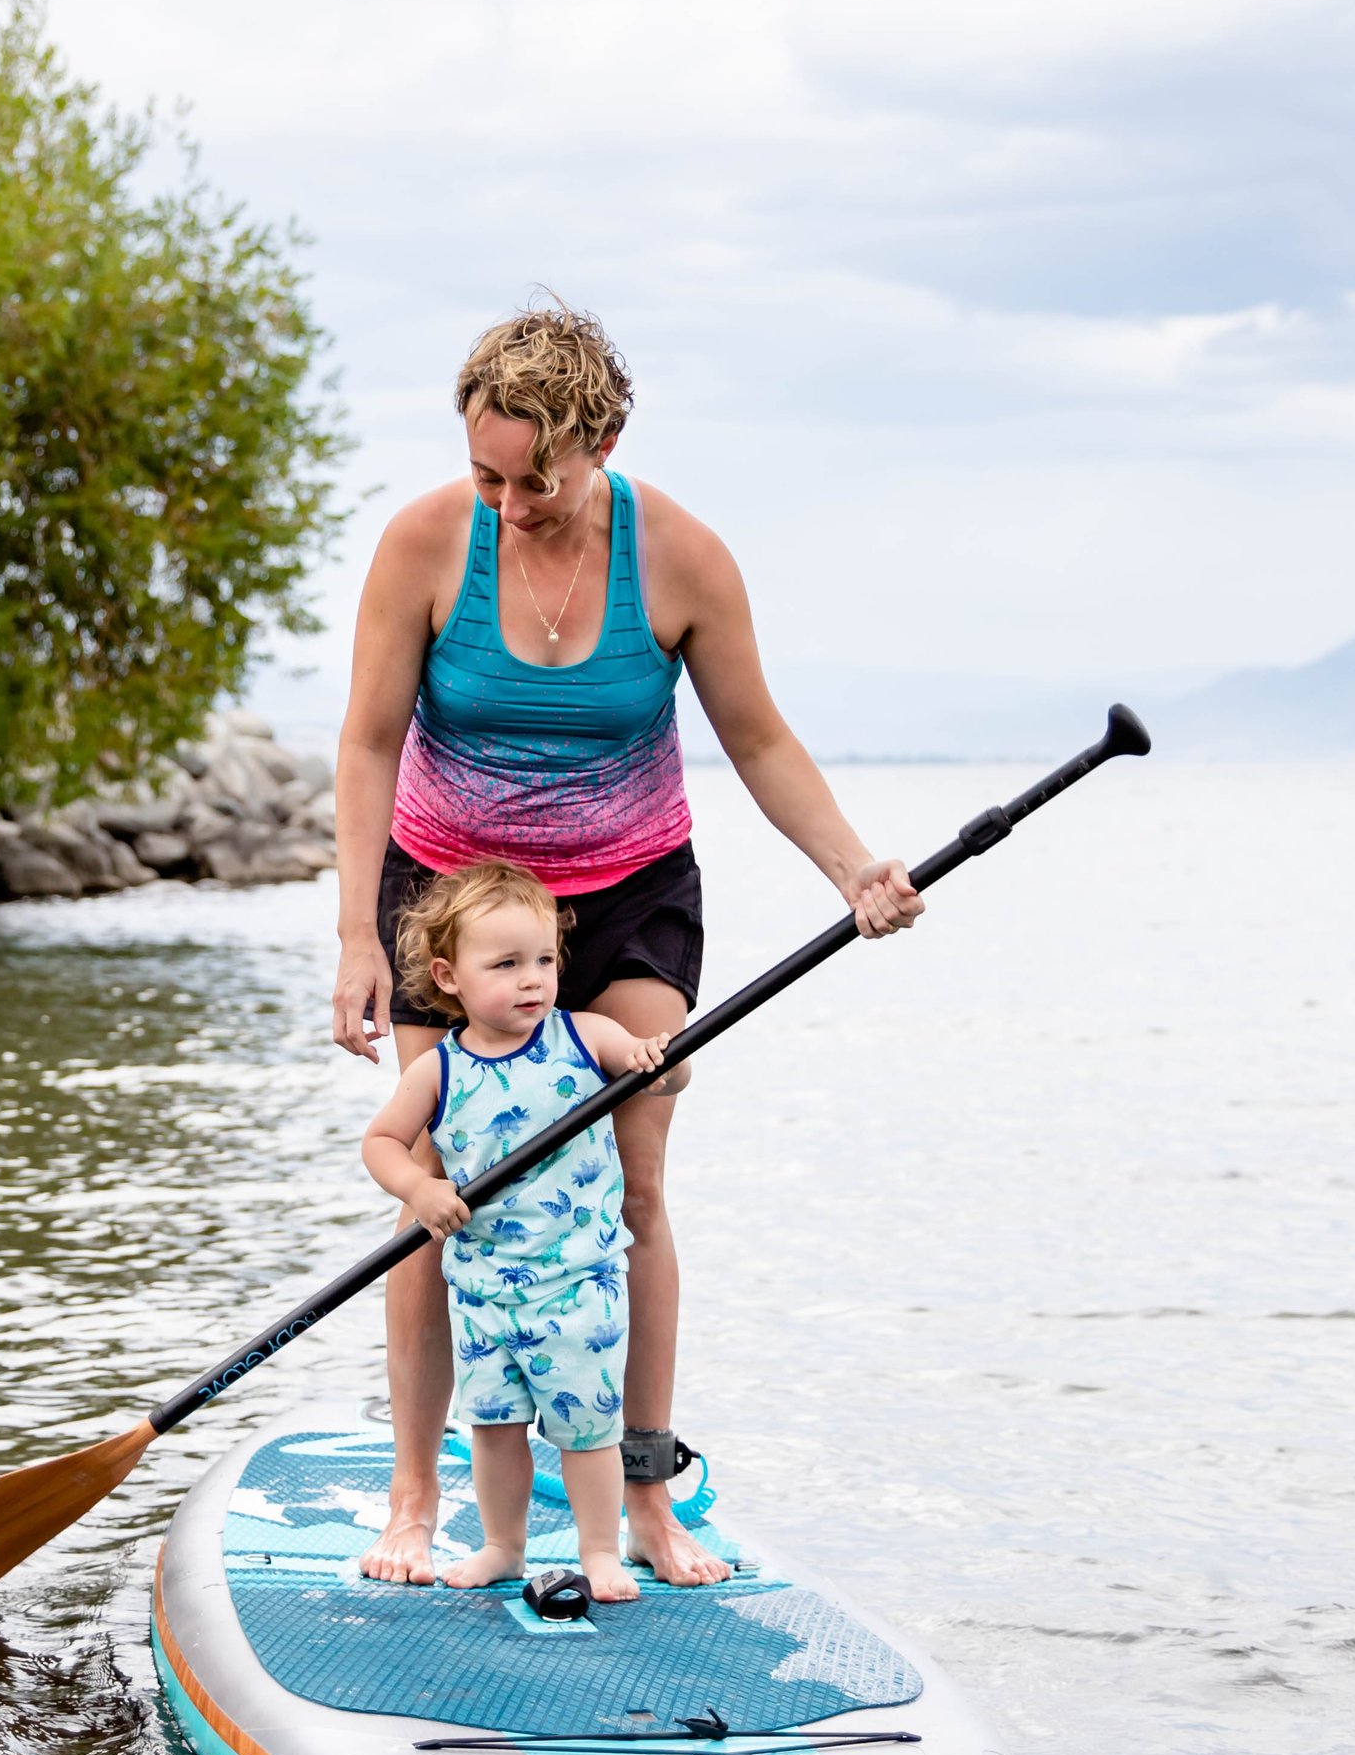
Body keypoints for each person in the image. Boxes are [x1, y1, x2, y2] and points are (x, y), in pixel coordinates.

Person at [332, 300, 924, 1584]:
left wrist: (852, 871)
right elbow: (370, 741)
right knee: (437, 1184)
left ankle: (646, 1495)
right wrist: (355, 936)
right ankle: (414, 1498)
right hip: (451, 902)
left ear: (599, 442)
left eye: (531, 481)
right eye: (485, 475)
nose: (506, 504)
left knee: (634, 1186)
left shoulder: (682, 560)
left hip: (626, 895)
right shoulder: (427, 543)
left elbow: (758, 739)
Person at [361, 859, 666, 1601]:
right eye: (506, 965)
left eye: (543, 961)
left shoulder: (586, 1037)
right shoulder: (438, 1071)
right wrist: (421, 1188)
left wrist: (656, 1062)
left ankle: (601, 1551)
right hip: (483, 1293)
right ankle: (503, 1545)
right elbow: (381, 1143)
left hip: (580, 1286)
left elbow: (662, 1072)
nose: (532, 980)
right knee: (494, 1429)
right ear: (450, 977)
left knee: (588, 1431)